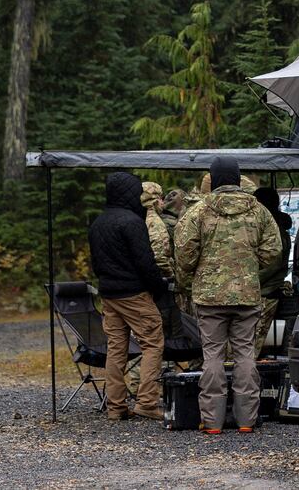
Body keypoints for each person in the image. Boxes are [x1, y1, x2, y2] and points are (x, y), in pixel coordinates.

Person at [175, 156, 282, 434]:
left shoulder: (199, 212)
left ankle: (212, 421)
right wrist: (249, 265)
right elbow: (273, 249)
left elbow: (185, 252)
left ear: (213, 179)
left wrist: (196, 273)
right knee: (246, 353)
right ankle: (247, 420)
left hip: (209, 297)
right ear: (236, 178)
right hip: (247, 294)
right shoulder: (258, 210)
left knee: (212, 355)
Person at [88, 172, 169, 421]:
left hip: (109, 294)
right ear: (130, 193)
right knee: (152, 343)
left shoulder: (98, 222)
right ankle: (146, 402)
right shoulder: (133, 222)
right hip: (134, 293)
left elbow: (95, 263)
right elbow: (145, 263)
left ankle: (115, 406)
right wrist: (159, 287)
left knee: (116, 349)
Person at [252, 187, 294, 349]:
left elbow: (273, 263)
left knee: (250, 347)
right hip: (262, 291)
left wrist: (249, 280)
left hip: (265, 293)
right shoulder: (270, 227)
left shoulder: (272, 229)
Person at [141, 181, 174, 278]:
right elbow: (160, 258)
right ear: (155, 200)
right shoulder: (155, 222)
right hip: (157, 280)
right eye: (161, 199)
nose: (163, 203)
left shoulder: (137, 217)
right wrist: (170, 277)